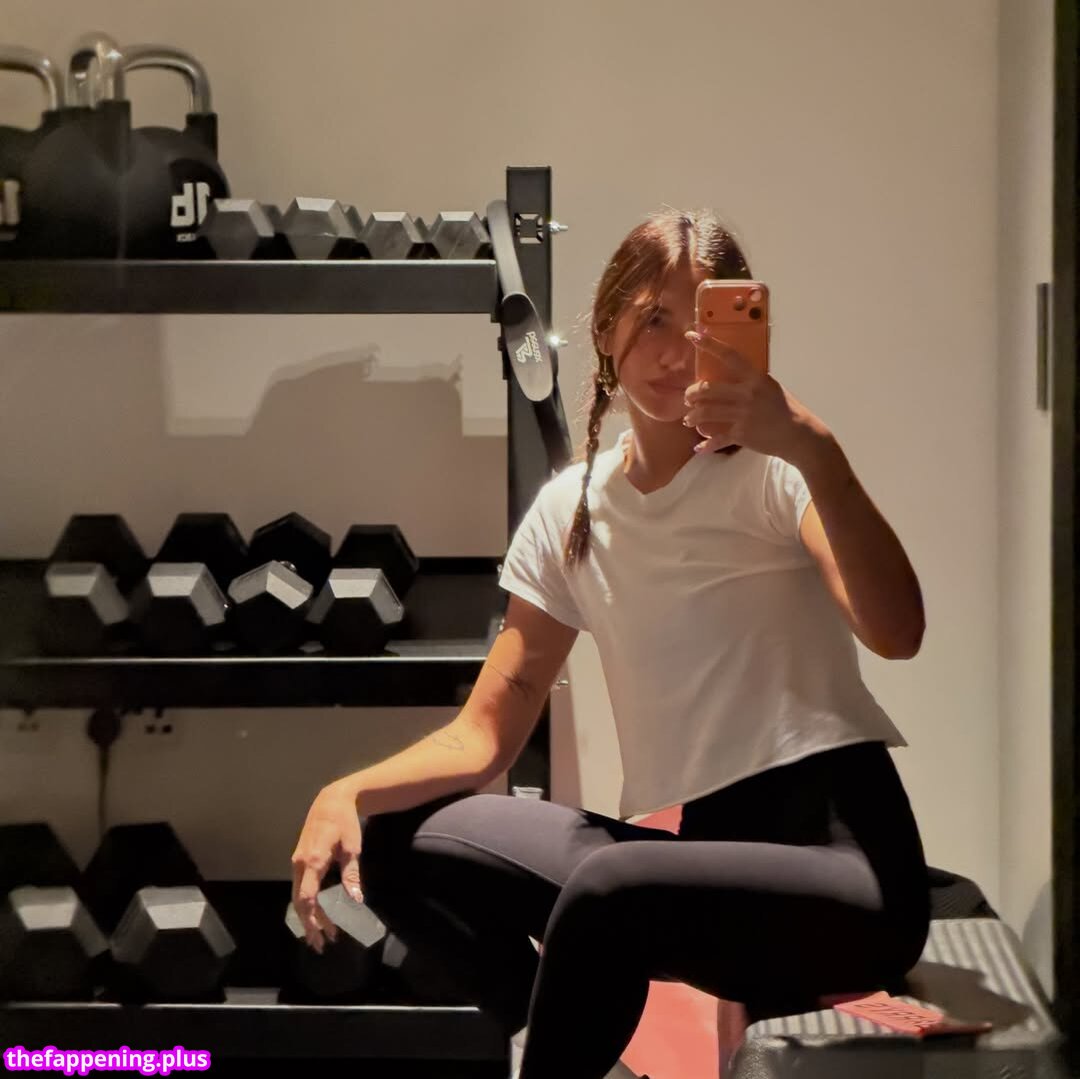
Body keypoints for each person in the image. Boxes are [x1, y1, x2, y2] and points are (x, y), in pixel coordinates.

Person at [289, 208, 932, 1079]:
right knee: (393, 844)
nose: (678, 351)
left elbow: (898, 632)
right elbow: (484, 734)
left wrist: (814, 445)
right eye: (655, 319)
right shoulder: (572, 511)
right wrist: (345, 792)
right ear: (604, 331)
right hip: (701, 863)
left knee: (609, 889)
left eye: (704, 323)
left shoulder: (778, 474)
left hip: (845, 870)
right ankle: (585, 1057)